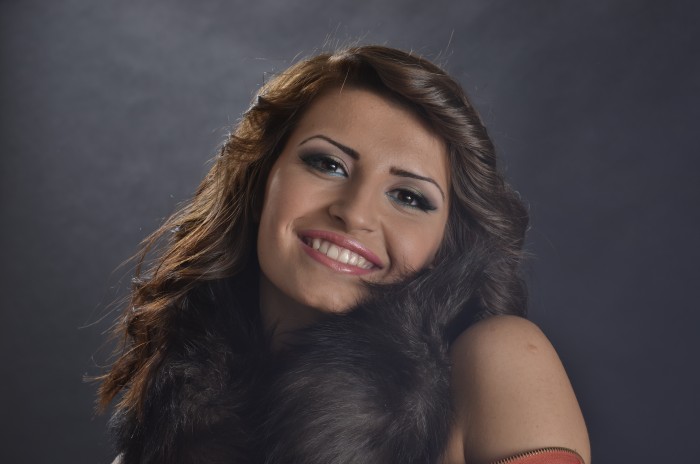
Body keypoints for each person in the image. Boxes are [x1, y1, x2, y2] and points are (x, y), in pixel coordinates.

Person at [98, 45, 590, 464]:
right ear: (259, 182)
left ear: (444, 248)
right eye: (327, 164)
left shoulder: (495, 361)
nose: (354, 213)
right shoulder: (168, 418)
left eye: (409, 197)